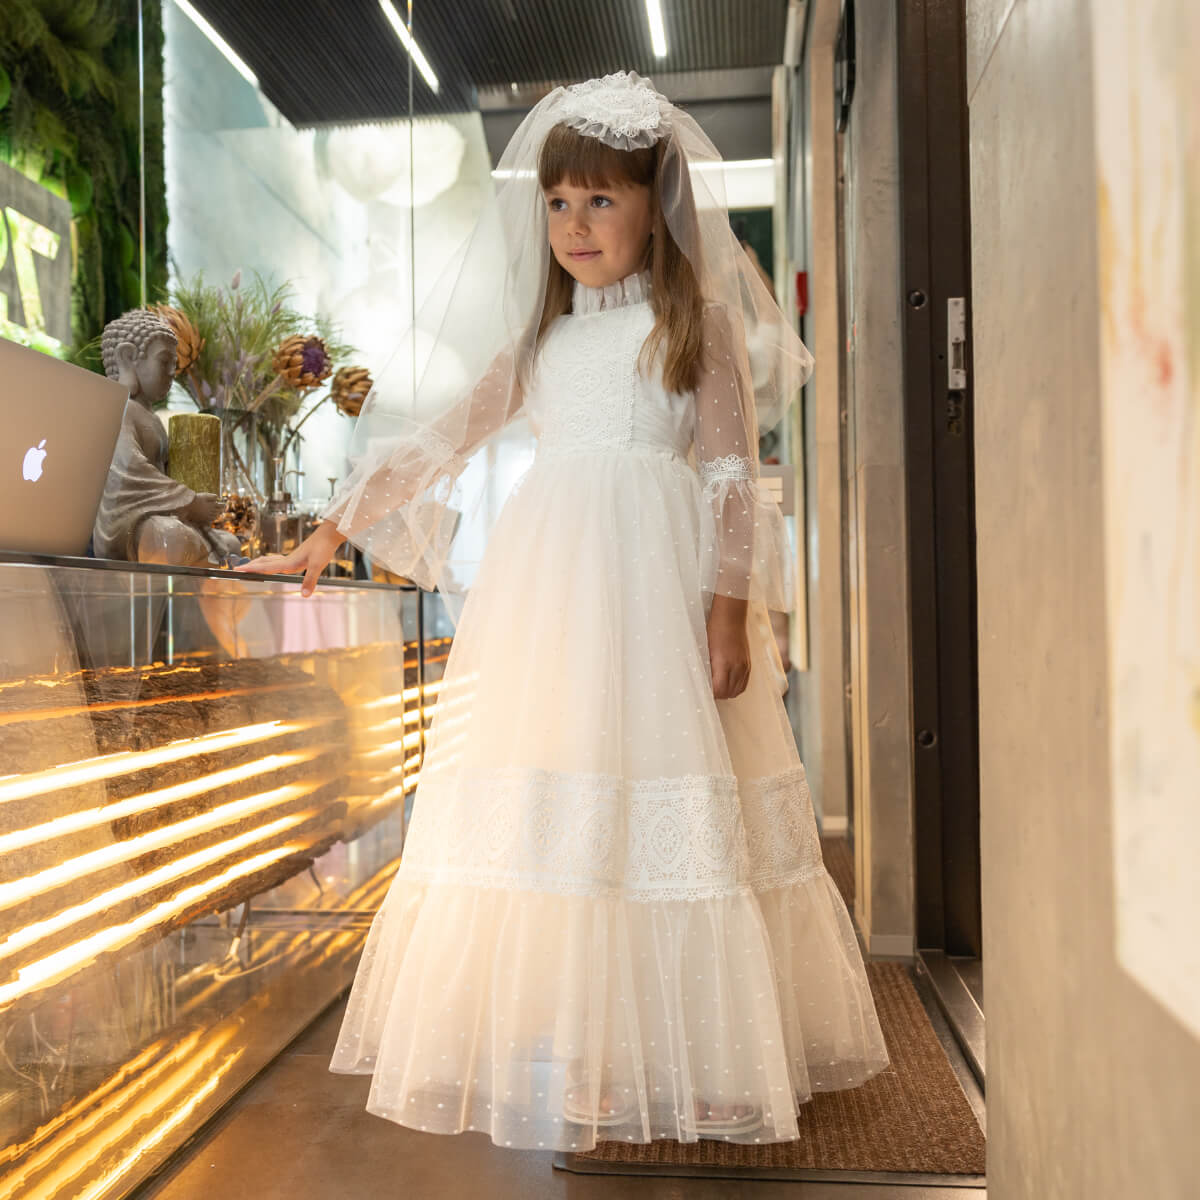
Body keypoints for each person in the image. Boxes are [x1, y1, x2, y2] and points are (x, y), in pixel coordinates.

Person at [236, 71, 888, 1149]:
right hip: (557, 604)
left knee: (673, 796)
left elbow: (728, 475)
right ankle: (593, 1051)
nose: (576, 227)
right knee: (578, 799)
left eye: (601, 201)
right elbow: (441, 437)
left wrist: (730, 617)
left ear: (655, 207)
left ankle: (717, 1057)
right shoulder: (539, 343)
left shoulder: (700, 328)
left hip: (664, 591)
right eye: (557, 204)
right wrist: (333, 525)